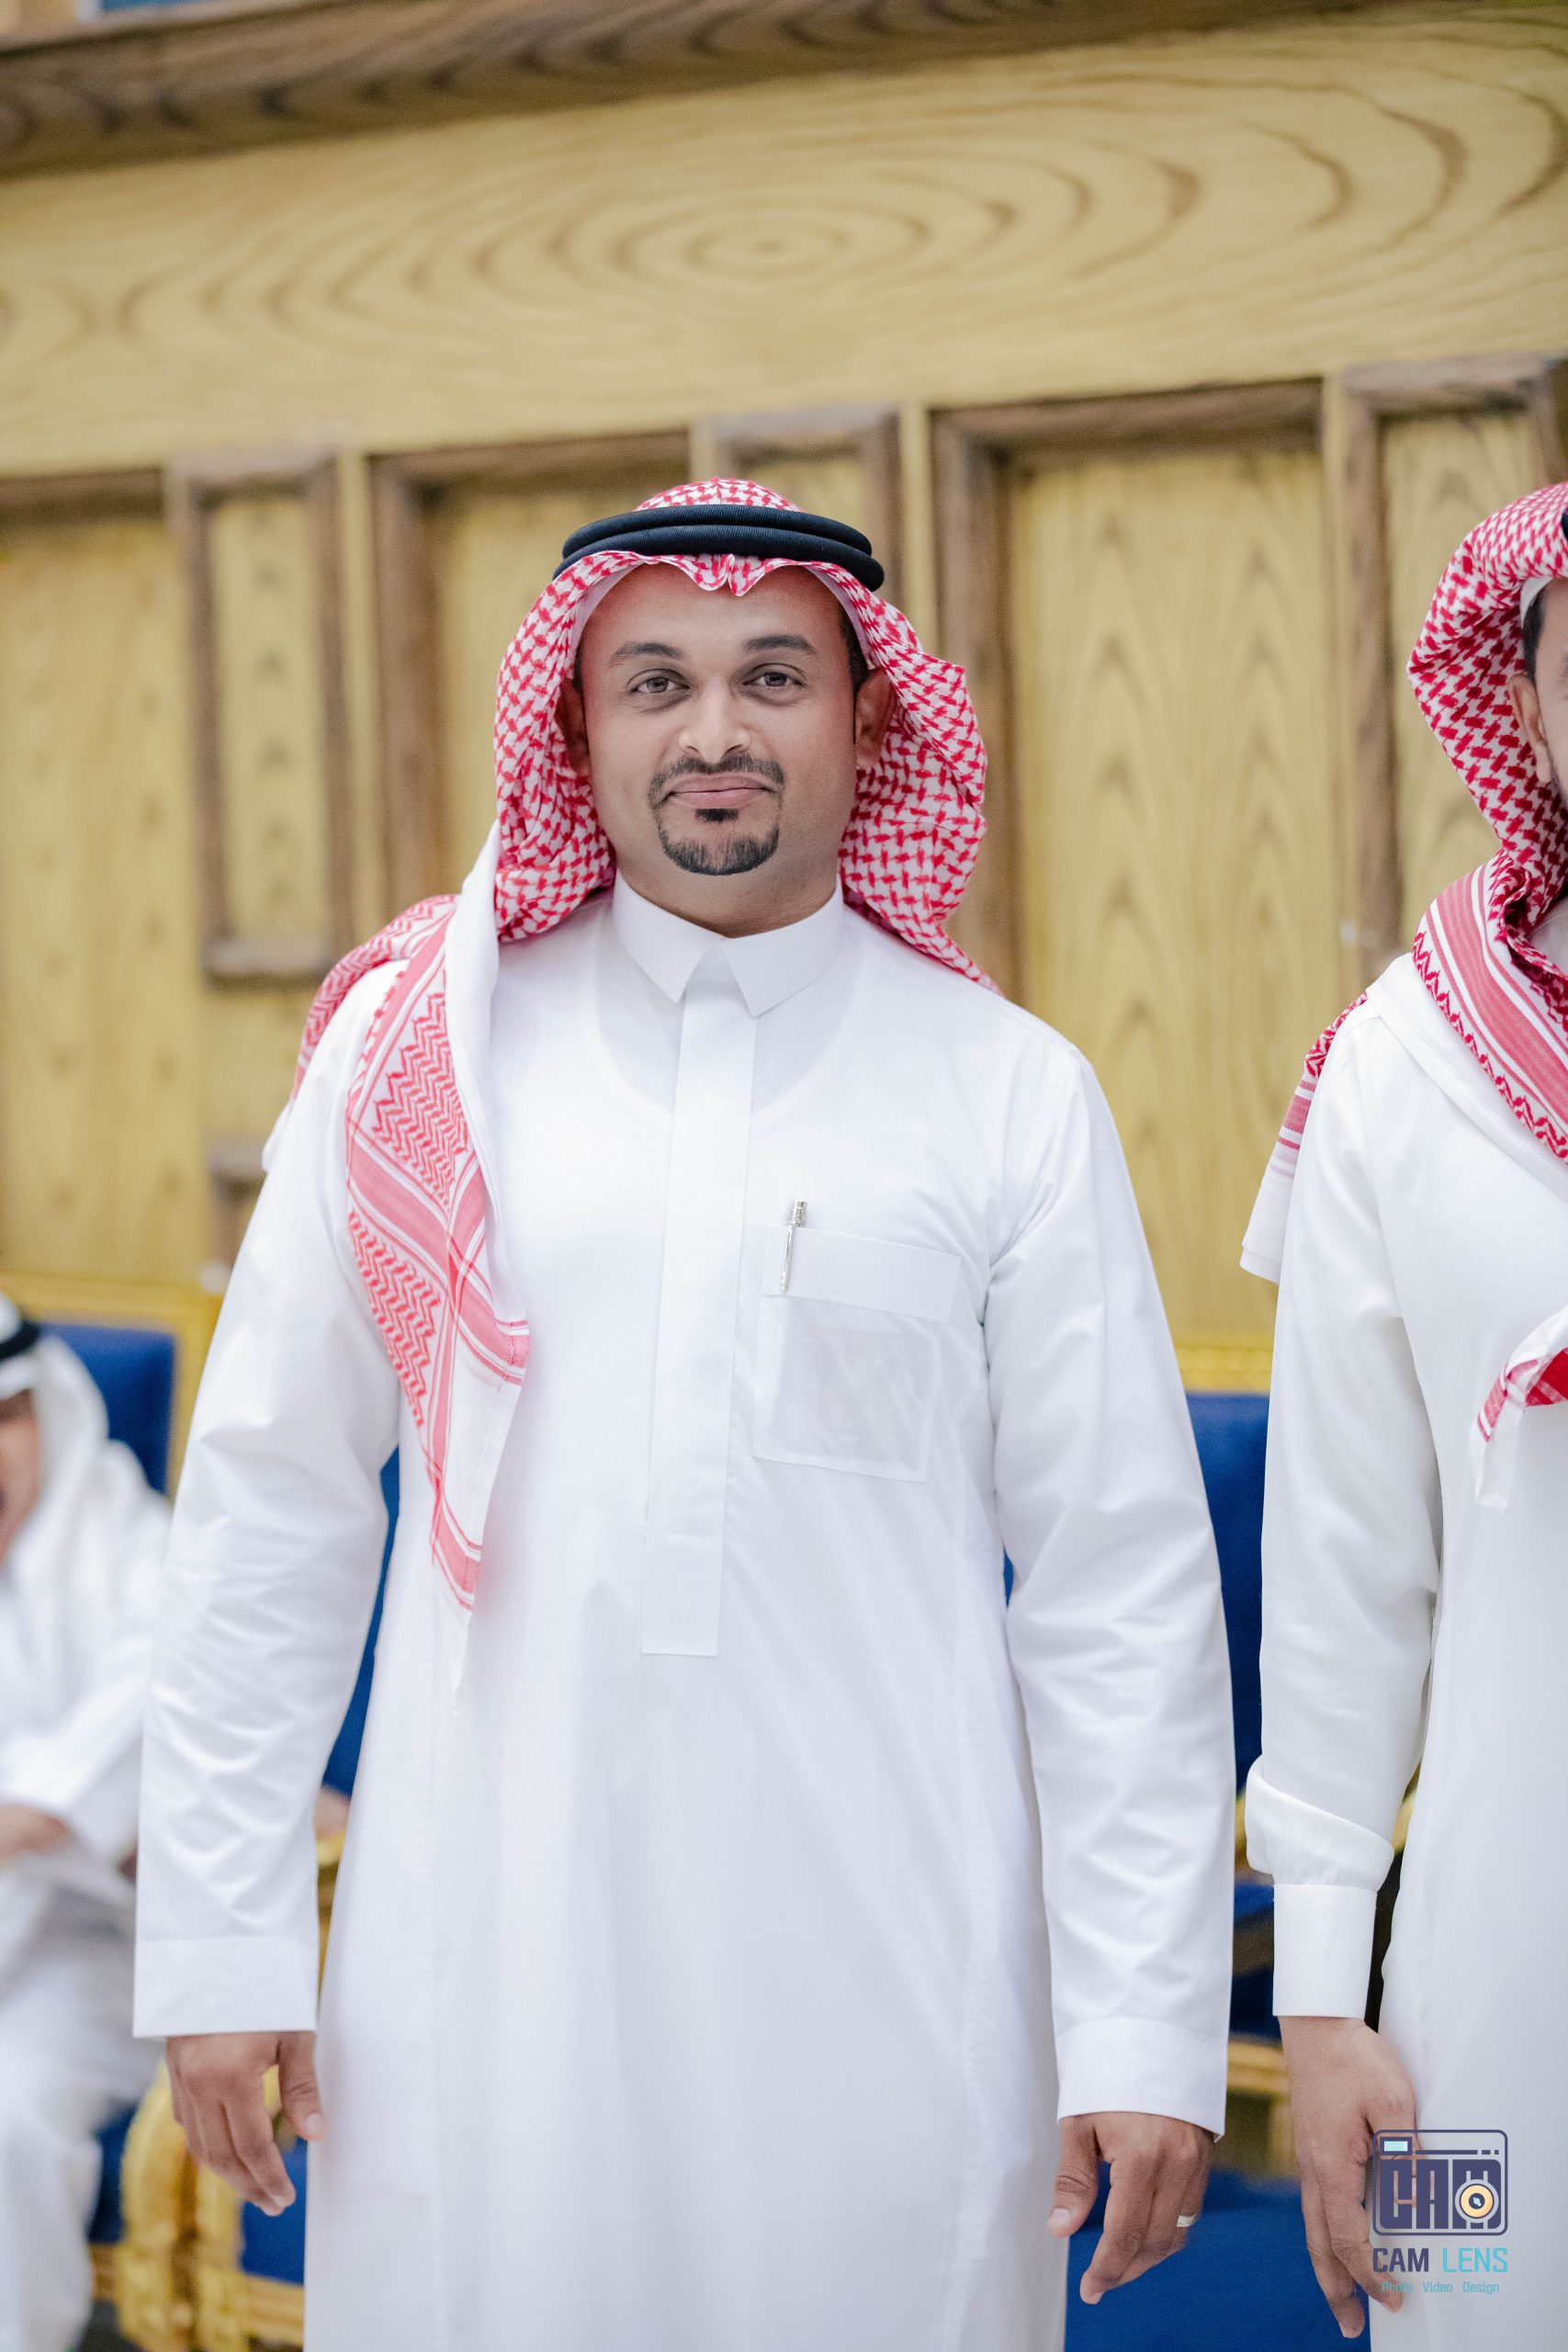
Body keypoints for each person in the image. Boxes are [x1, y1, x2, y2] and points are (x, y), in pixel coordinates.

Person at [134, 480, 1235, 2352]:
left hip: (890, 1976)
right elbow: (269, 1504)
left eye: (770, 676)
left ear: (866, 719)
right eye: (655, 680)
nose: (713, 728)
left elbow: (1116, 1590)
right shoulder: (422, 1059)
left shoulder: (1007, 1094)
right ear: (575, 725)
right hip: (492, 1956)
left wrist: (1139, 2025)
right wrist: (225, 1939)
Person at [1244, 482, 1568, 2346]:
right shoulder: (1403, 1065)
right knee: (1462, 2304)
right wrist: (1318, 2001)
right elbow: (1341, 1572)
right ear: (1518, 700)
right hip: (1488, 1965)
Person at [0, 1298, 167, 2352]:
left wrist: (35, 1811)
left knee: (9, 2110)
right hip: (22, 1917)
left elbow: (125, 1741)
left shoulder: (139, 1546)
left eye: (5, 1416)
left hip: (125, 1944)